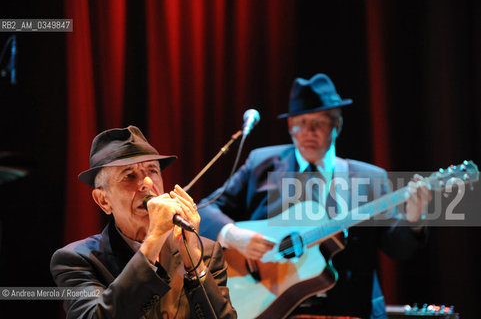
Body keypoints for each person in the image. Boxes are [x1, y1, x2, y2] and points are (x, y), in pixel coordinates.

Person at [198, 73, 431, 319]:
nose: (309, 131)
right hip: (270, 307)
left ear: (337, 125)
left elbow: (399, 249)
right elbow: (204, 209)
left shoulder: (370, 178)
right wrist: (235, 236)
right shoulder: (262, 164)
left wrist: (414, 219)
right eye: (301, 122)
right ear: (290, 128)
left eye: (319, 122)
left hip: (351, 308)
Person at [50, 126, 237, 319]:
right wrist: (154, 240)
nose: (147, 183)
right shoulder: (76, 260)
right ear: (103, 200)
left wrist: (194, 264)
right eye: (129, 175)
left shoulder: (205, 252)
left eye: (153, 170)